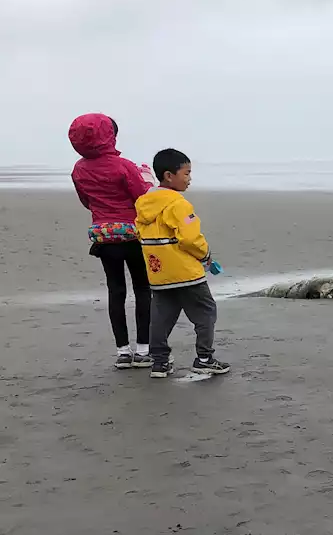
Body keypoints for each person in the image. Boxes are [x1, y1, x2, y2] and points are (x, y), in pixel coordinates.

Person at [68, 113, 155, 370]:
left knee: (115, 291)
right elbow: (142, 198)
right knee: (142, 288)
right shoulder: (124, 166)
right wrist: (147, 180)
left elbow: (86, 201)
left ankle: (122, 352)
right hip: (132, 234)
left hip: (104, 236)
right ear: (109, 136)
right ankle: (143, 350)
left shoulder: (79, 169)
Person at [134, 148, 230, 379]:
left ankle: (160, 362)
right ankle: (204, 359)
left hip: (158, 271)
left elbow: (138, 232)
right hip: (186, 272)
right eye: (186, 173)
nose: (189, 179)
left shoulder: (144, 203)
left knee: (161, 316)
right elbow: (190, 238)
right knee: (205, 312)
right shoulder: (179, 204)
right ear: (169, 175)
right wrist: (206, 255)